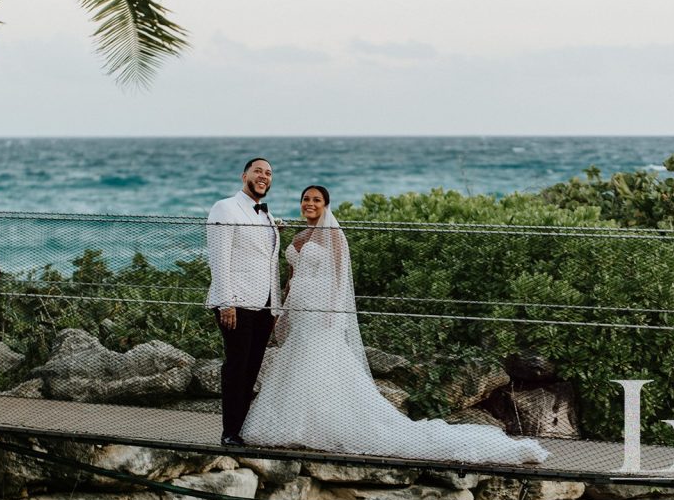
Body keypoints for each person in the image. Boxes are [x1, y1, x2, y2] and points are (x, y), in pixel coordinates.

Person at [241, 185, 549, 465]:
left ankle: (320, 425)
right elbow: (292, 278)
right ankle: (299, 422)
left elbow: (338, 278)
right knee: (298, 362)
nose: (310, 204)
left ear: (326, 205)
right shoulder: (298, 238)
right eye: (306, 200)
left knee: (320, 362)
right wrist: (282, 309)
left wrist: (329, 311)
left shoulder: (332, 235)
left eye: (316, 200)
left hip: (322, 310)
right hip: (300, 309)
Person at [206, 157, 281, 447]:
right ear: (244, 175)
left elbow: (269, 262)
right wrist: (226, 302)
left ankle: (241, 428)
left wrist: (275, 306)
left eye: (269, 173)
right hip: (235, 302)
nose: (264, 176)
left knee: (252, 369)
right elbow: (219, 258)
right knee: (237, 367)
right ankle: (229, 433)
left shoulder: (267, 216)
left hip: (264, 306)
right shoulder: (225, 208)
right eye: (258, 171)